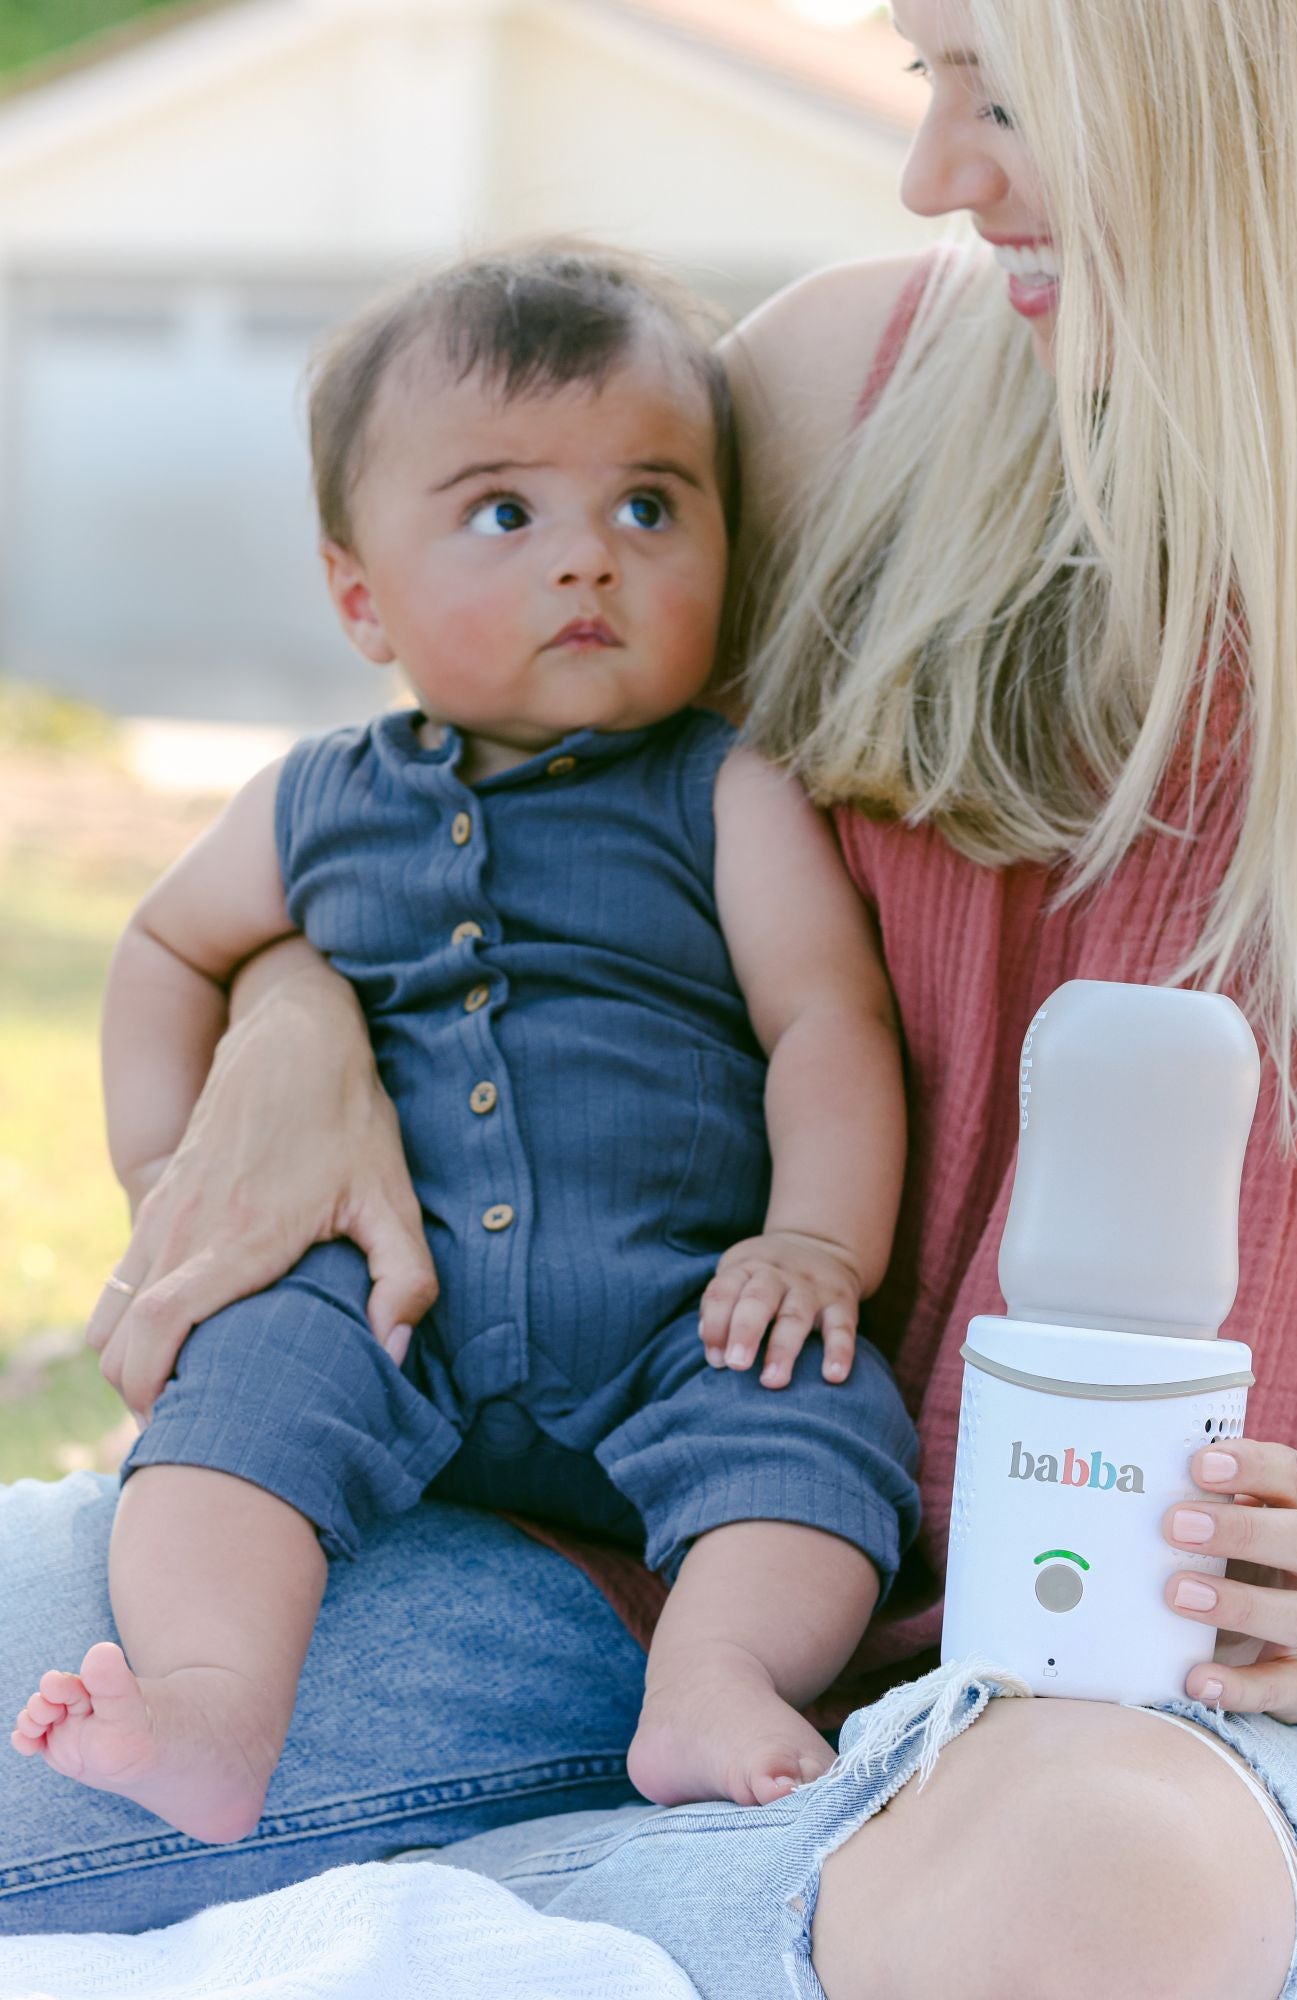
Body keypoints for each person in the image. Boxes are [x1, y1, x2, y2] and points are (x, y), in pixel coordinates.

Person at [0, 1, 1297, 1994]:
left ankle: (538, 1895)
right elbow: (468, 798)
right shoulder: (839, 395)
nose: (934, 174)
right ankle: (699, 1897)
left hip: (1203, 1691)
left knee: (1090, 1890)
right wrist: (295, 1015)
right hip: (624, 1550)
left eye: (1002, 94)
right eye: (927, 77)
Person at [8, 247, 921, 1842]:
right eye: (507, 513)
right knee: (232, 1413)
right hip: (379, 1306)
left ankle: (710, 1681)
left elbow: (825, 1023)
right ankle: (215, 1710)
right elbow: (162, 945)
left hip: (664, 1310)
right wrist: (175, 1189)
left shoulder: (722, 790)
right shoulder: (313, 798)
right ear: (360, 592)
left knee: (813, 1421)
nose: (591, 561)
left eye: (650, 505)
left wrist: (813, 1242)